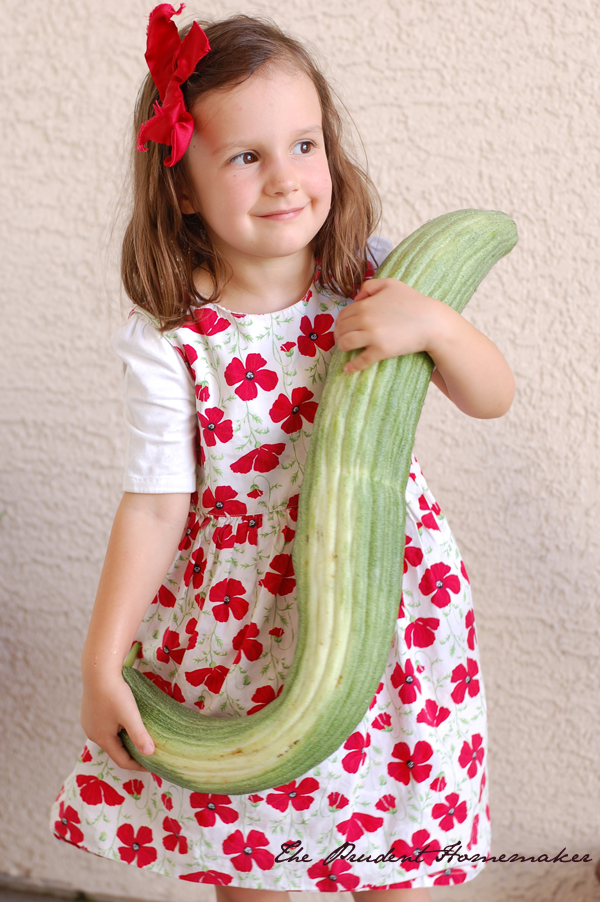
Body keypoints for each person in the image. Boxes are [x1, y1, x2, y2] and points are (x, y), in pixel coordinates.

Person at [50, 5, 514, 900]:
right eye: (246, 156)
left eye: (305, 146)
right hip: (245, 639)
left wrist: (439, 325)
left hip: (388, 615)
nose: (286, 179)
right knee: (258, 869)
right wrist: (100, 662)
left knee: (393, 862)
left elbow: (491, 397)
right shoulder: (173, 339)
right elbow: (154, 504)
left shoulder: (374, 279)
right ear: (181, 186)